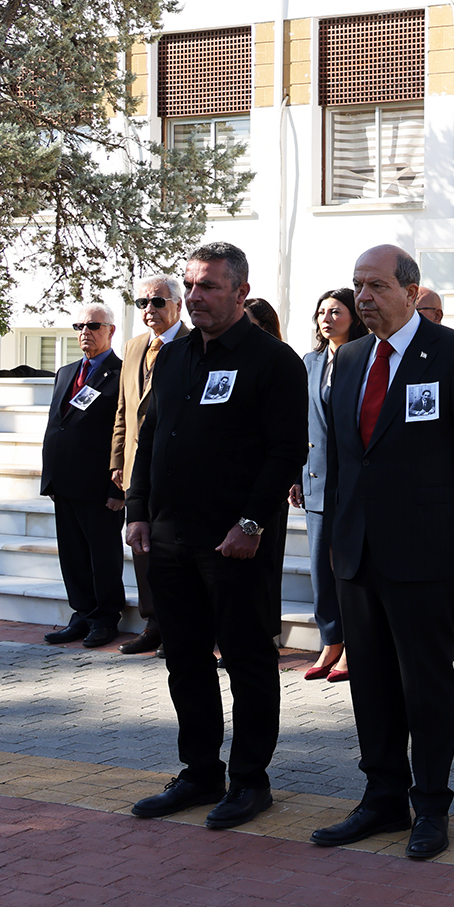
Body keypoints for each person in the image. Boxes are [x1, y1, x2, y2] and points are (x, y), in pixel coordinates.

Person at [310, 245, 454, 861]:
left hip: (426, 552)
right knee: (370, 684)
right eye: (357, 286)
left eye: (377, 286)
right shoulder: (350, 357)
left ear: (412, 292)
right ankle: (382, 798)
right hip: (357, 553)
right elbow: (343, 458)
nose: (363, 297)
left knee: (425, 686)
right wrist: (336, 538)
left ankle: (432, 805)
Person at [124, 241, 307, 831]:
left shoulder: (274, 361)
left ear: (240, 291)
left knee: (248, 662)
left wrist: (251, 522)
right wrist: (137, 509)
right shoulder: (174, 356)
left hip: (236, 542)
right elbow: (151, 436)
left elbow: (286, 452)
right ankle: (200, 771)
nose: (195, 296)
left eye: (208, 286)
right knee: (184, 659)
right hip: (171, 537)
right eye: (191, 285)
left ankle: (250, 781)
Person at [288, 288, 366, 684]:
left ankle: (355, 644)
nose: (326, 319)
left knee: (351, 567)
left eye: (335, 311)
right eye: (321, 312)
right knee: (321, 567)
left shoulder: (367, 356)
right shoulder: (310, 361)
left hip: (355, 481)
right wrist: (296, 475)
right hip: (316, 477)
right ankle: (331, 641)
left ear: (354, 317)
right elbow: (299, 422)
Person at [111, 275, 189, 657]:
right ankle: (153, 624)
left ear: (177, 304)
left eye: (157, 302)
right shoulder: (133, 346)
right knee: (141, 548)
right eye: (142, 303)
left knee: (177, 552)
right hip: (136, 468)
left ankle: (183, 628)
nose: (149, 310)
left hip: (177, 467)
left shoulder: (194, 343)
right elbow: (123, 409)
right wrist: (117, 460)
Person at [41, 304, 126, 649]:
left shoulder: (121, 373)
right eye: (79, 326)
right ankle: (82, 613)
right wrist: (50, 476)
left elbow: (123, 431)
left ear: (110, 330)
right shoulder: (66, 372)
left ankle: (105, 618)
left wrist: (117, 487)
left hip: (99, 485)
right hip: (64, 481)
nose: (85, 332)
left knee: (102, 555)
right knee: (72, 555)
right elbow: (57, 424)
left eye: (93, 325)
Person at [409, 286, 454, 696]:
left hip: (446, 505)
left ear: (437, 314)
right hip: (403, 504)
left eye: (422, 309)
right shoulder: (377, 355)